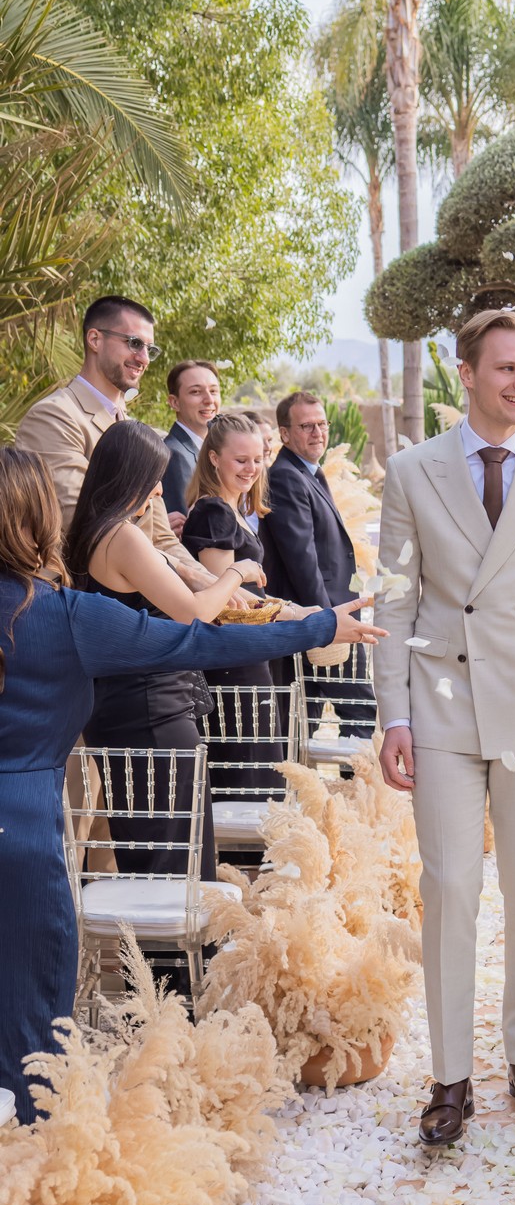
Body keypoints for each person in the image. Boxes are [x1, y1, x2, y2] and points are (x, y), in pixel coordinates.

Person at [0, 446, 380, 1123]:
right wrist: (321, 623)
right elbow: (199, 642)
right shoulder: (60, 615)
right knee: (31, 1043)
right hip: (23, 839)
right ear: (33, 516)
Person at [374, 308, 515, 1147]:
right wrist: (392, 712)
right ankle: (448, 1077)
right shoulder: (411, 469)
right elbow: (397, 595)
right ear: (466, 373)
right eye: (506, 368)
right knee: (451, 889)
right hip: (441, 701)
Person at [65, 421, 271, 881]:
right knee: (178, 868)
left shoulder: (88, 532)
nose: (160, 490)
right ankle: (175, 957)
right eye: (154, 477)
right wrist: (236, 574)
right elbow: (194, 612)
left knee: (151, 861)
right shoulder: (122, 536)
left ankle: (154, 956)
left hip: (119, 711)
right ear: (131, 478)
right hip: (150, 713)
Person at [14, 296, 216, 590]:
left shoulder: (134, 430)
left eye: (150, 348)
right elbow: (85, 527)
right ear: (94, 339)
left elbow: (160, 535)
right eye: (134, 343)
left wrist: (218, 587)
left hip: (147, 594)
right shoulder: (54, 416)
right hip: (84, 601)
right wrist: (188, 580)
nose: (144, 358)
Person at [260, 390, 375, 739]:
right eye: (306, 426)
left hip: (329, 616)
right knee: (357, 715)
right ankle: (352, 788)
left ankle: (345, 791)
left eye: (321, 424)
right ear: (284, 433)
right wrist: (327, 624)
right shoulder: (285, 477)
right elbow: (302, 558)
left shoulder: (308, 472)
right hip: (323, 619)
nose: (318, 433)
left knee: (310, 717)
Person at [181, 412, 283, 800]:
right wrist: (293, 613)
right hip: (231, 662)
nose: (252, 469)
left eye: (257, 459)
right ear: (213, 458)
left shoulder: (230, 510)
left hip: (245, 654)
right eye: (241, 460)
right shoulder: (214, 512)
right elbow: (229, 601)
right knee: (244, 778)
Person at [162, 359, 222, 532]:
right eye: (196, 392)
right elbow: (187, 530)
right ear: (174, 402)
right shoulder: (175, 455)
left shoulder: (209, 449)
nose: (209, 400)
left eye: (213, 391)